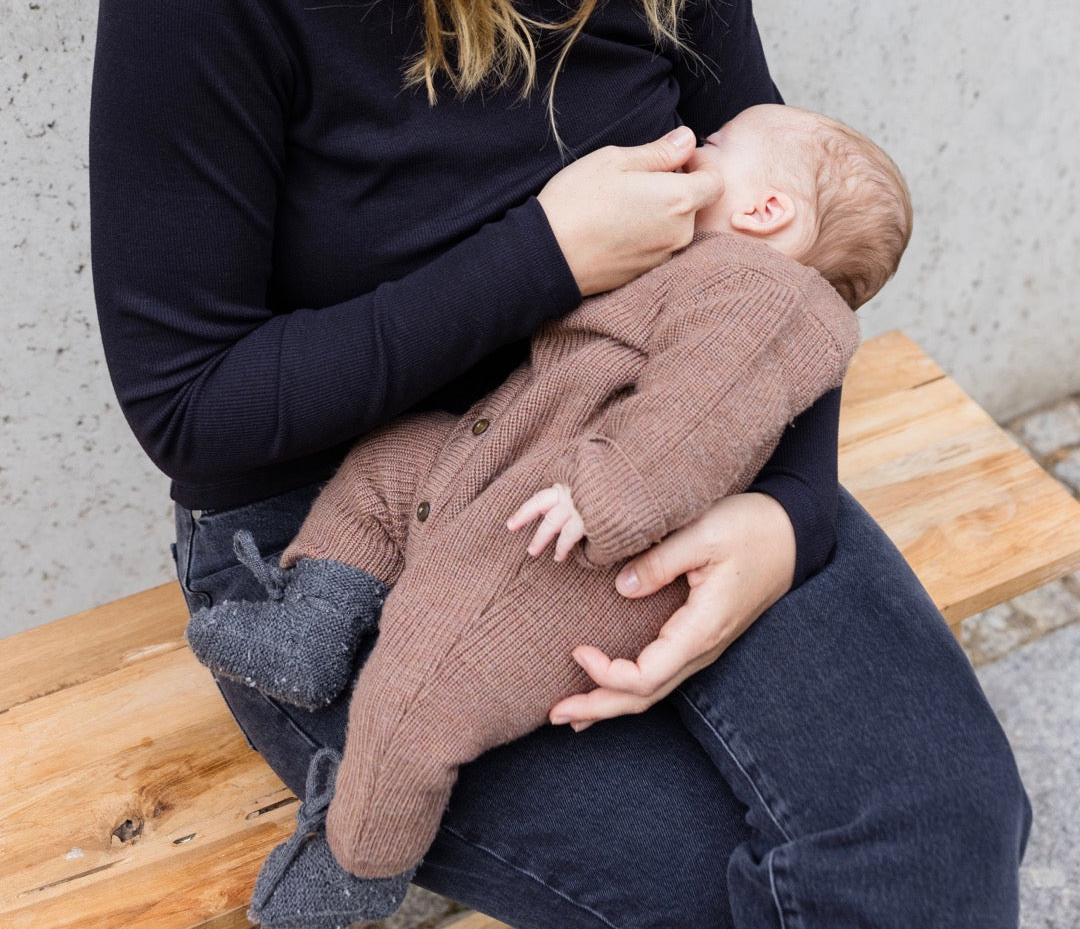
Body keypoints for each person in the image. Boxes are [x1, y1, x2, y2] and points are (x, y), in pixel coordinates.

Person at [90, 0, 1030, 929]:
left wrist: (779, 515)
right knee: (723, 896)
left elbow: (771, 255)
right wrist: (540, 258)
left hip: (661, 444)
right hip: (357, 551)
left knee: (935, 835)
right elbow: (195, 414)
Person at [184, 104, 907, 929]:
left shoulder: (764, 294)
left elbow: (700, 416)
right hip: (506, 469)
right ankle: (317, 620)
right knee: (390, 466)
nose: (686, 152)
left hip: (562, 547)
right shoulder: (705, 272)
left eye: (711, 148)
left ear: (763, 210)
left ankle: (360, 863)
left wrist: (611, 496)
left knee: (420, 687)